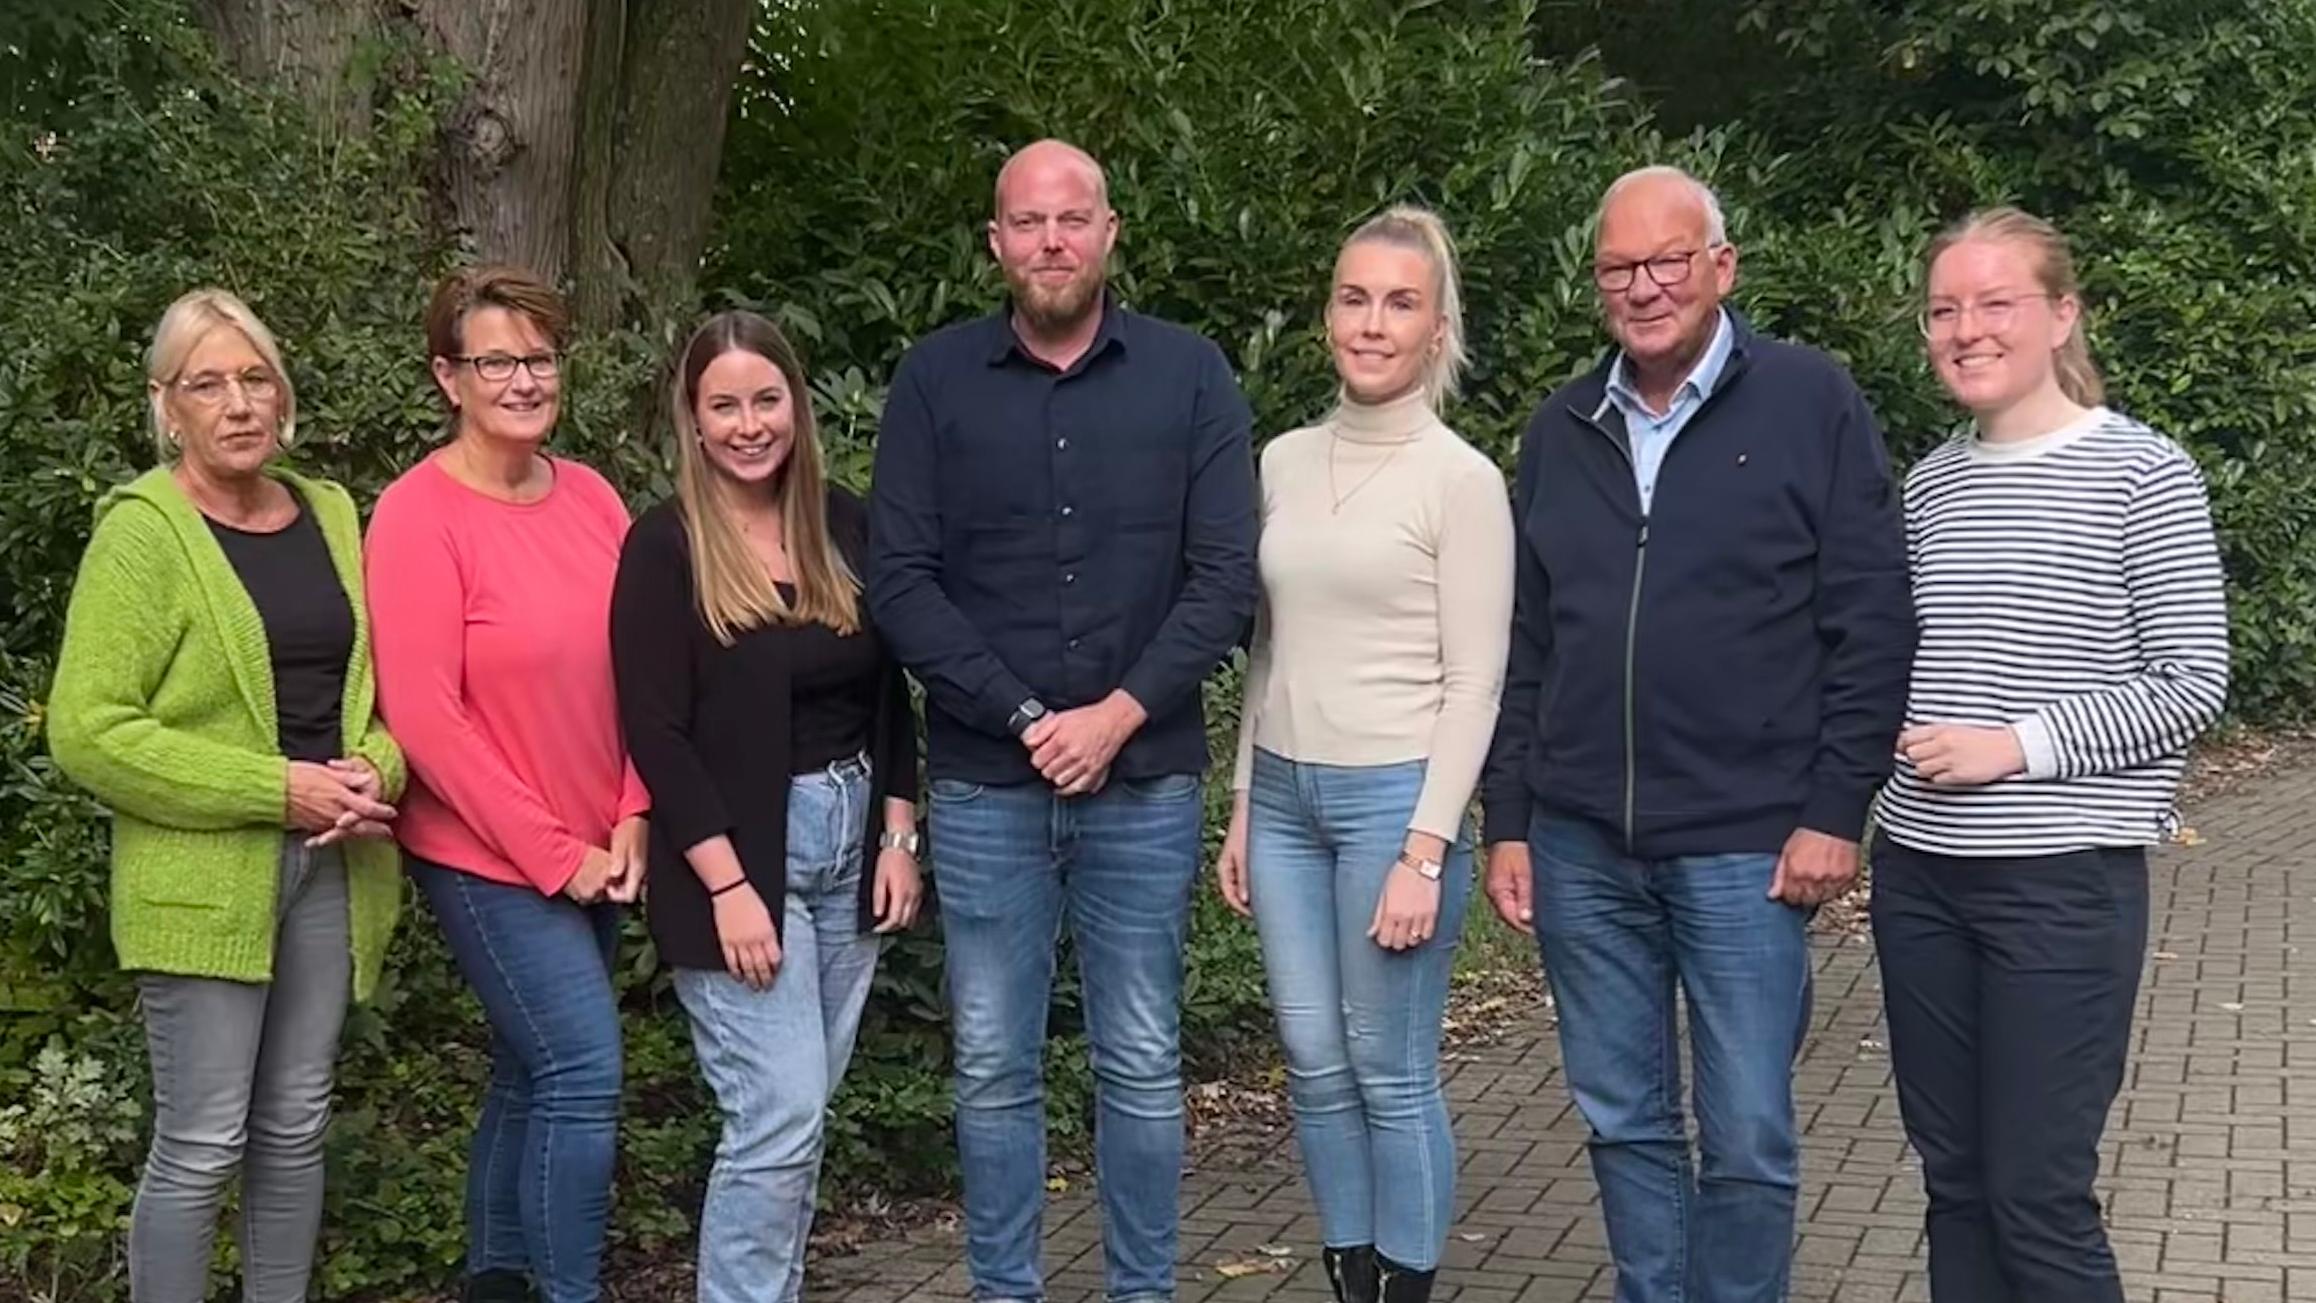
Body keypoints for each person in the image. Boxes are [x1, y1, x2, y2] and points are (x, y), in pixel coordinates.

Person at [1477, 165, 1916, 1303]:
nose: (1644, 286)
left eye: (1668, 259)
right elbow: (1529, 642)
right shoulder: (1561, 428)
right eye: (1619, 267)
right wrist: (1509, 818)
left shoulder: (1811, 401)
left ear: (1721, 267)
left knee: (1749, 1133)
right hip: (1581, 844)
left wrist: (1835, 809)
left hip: (1745, 844)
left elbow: (1871, 619)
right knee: (1623, 1119)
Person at [867, 138, 1259, 1303]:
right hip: (989, 784)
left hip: (1147, 782)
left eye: (1072, 219)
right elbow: (901, 581)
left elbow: (1225, 578)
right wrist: (1035, 715)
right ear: (995, 243)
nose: (1051, 242)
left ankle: (1142, 1290)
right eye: (1027, 223)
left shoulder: (1192, 378)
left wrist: (1118, 715)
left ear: (1110, 231)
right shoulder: (933, 382)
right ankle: (1007, 1290)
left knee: (1139, 1061)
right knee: (994, 1067)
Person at [1874, 207, 2230, 1302]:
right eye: (1944, 309)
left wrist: (2015, 746)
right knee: (1958, 1184)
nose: (1966, 329)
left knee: (2038, 1194)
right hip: (1920, 876)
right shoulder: (1931, 482)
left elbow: (2191, 681)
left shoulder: (2144, 472)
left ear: (2061, 314)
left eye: (1995, 303)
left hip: (2061, 887)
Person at [48, 288, 404, 1303]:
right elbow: (89, 728)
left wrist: (377, 763)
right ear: (168, 406)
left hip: (332, 863)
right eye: (209, 383)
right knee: (203, 1140)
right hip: (199, 884)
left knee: (294, 1124)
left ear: (283, 395)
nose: (238, 403)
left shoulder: (331, 513)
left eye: (256, 378)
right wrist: (273, 788)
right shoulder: (143, 534)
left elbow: (379, 684)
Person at [1211, 206, 1511, 1303]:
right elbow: (1268, 642)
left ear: (1438, 329)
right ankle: (1352, 1277)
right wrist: (1245, 800)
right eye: (1353, 297)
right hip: (1286, 800)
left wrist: (1425, 849)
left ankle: (1409, 1286)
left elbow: (1477, 681)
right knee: (1313, 1061)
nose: (1371, 323)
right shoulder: (1282, 460)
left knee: (1390, 1069)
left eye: (1400, 303)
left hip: (1397, 801)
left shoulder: (1460, 480)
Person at [610, 310, 924, 1303]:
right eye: (724, 405)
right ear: (693, 421)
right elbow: (655, 731)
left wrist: (900, 833)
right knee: (778, 1112)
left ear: (797, 402)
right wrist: (729, 887)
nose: (749, 424)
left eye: (766, 398)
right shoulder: (663, 548)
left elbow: (893, 693)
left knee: (799, 1121)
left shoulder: (850, 524)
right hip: (739, 859)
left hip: (852, 848)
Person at [365, 266, 650, 1303]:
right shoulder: (414, 516)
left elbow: (643, 666)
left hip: (601, 846)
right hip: (489, 859)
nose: (524, 380)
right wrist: (553, 853)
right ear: (449, 377)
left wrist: (631, 812)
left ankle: (494, 1284)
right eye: (498, 361)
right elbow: (428, 720)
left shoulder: (594, 498)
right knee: (584, 1072)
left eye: (539, 358)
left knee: (531, 1074)